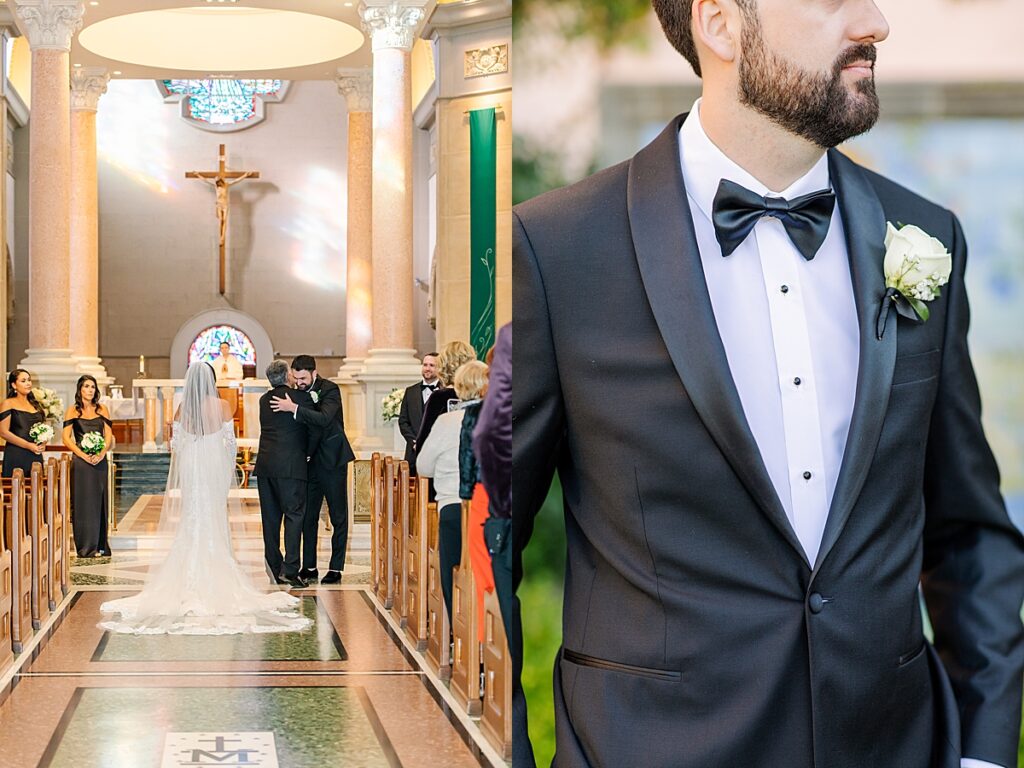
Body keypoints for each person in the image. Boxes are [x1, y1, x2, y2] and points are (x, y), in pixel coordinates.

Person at [513, 2, 1024, 768]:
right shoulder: (556, 250)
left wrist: (982, 756)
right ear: (720, 23)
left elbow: (967, 533)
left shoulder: (923, 235)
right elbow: (488, 544)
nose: (875, 23)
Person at [99, 362, 311, 635]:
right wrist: (223, 472)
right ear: (211, 380)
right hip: (213, 472)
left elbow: (174, 446)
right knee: (213, 518)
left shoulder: (181, 409)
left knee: (192, 518)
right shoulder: (222, 406)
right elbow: (230, 445)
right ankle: (218, 575)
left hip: (191, 472)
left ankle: (187, 577)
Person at [270, 355, 355, 585]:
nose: (299, 383)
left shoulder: (330, 389)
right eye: (296, 378)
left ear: (314, 374)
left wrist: (294, 407)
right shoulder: (295, 392)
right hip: (308, 462)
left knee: (338, 515)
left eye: (303, 378)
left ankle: (336, 568)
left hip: (332, 459)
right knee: (308, 516)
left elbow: (325, 418)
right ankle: (309, 566)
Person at [417, 360, 489, 626]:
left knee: (451, 571)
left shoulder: (446, 422)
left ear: (459, 388)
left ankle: (458, 636)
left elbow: (423, 466)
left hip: (452, 507)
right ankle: (486, 641)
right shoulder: (497, 420)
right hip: (489, 508)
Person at [255, 360, 315, 589]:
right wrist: (307, 453)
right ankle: (290, 570)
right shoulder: (300, 398)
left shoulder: (263, 400)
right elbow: (312, 428)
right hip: (291, 466)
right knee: (294, 516)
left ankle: (273, 566)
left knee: (270, 519)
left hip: (267, 465)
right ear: (288, 376)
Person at [61, 375, 114, 558]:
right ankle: (85, 546)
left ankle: (100, 544)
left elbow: (108, 436)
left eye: (92, 386)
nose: (90, 390)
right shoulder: (72, 411)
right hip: (81, 462)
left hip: (100, 461)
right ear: (80, 390)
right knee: (83, 502)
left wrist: (101, 453)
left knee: (99, 500)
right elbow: (66, 438)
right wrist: (83, 455)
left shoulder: (102, 409)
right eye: (86, 386)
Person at [414, 341, 476, 461]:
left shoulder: (439, 397)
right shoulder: (481, 397)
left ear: (444, 366)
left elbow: (424, 443)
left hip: (446, 469)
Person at [397, 352, 440, 474]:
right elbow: (403, 421)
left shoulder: (445, 392)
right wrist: (414, 442)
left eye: (432, 365)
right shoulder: (410, 391)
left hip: (436, 452)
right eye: (425, 364)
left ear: (439, 368)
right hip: (413, 453)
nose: (427, 368)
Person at [0, 369, 45, 479]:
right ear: (14, 385)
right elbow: (3, 432)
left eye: (29, 380)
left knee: (36, 491)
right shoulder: (8, 403)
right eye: (23, 381)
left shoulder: (35, 404)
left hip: (35, 454)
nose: (28, 383)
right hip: (16, 453)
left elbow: (41, 429)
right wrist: (27, 445)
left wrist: (43, 441)